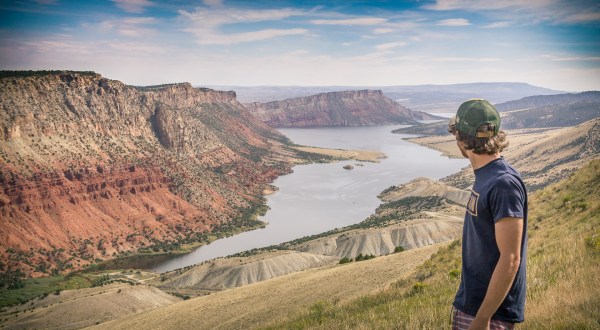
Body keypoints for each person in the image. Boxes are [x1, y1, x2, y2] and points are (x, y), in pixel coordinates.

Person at [447, 99, 528, 330]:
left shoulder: (503, 184)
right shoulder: (489, 176)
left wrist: (482, 320)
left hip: (489, 314)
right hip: (475, 305)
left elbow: (510, 258)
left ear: (460, 138)